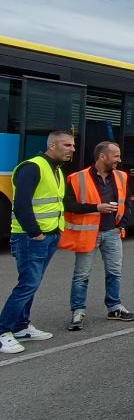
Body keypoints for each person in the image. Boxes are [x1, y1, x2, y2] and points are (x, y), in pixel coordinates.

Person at [0, 130, 75, 354]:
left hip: (50, 234)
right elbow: (21, 203)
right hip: (31, 237)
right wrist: (35, 233)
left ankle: (22, 326)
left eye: (73, 145)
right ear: (52, 146)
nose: (72, 149)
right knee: (28, 284)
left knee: (33, 282)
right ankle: (3, 330)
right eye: (67, 145)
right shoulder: (32, 167)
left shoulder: (57, 171)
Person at [61, 141, 134, 331]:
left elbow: (127, 202)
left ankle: (115, 307)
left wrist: (122, 225)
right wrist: (96, 208)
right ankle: (78, 311)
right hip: (88, 233)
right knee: (81, 275)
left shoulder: (122, 177)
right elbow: (69, 205)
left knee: (114, 272)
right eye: (116, 156)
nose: (119, 160)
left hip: (112, 232)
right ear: (103, 157)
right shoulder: (77, 178)